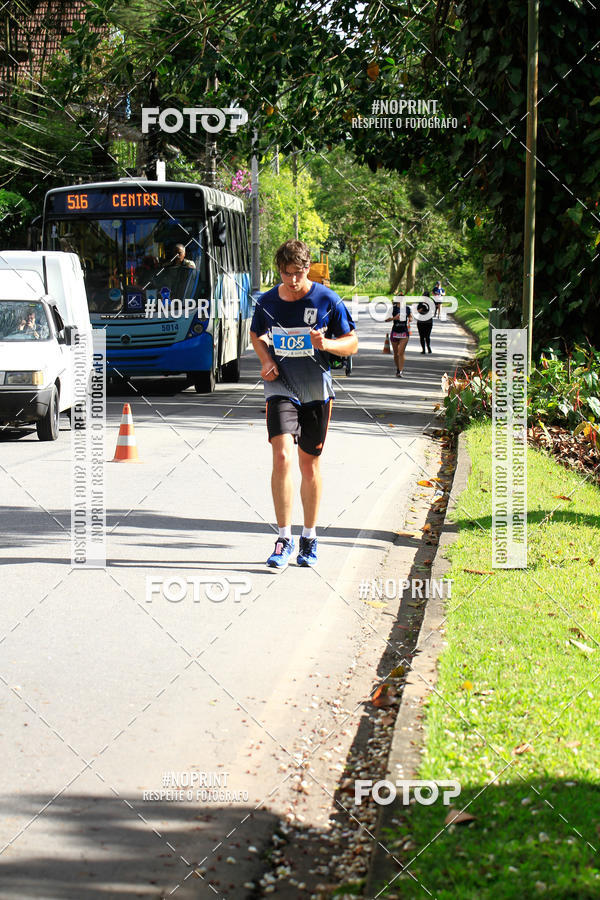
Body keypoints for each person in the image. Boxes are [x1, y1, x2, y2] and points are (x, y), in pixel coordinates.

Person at [250, 239, 358, 569]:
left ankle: (309, 536)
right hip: (280, 386)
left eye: (298, 273)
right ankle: (284, 537)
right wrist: (265, 359)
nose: (293, 281)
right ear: (279, 270)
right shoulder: (268, 302)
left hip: (316, 390)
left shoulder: (328, 300)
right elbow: (255, 334)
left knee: (309, 465)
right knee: (281, 455)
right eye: (286, 274)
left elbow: (352, 344)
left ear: (307, 268)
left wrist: (326, 343)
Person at [385, 297, 411, 377]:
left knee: (400, 352)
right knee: (396, 354)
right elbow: (386, 319)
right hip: (395, 332)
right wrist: (394, 318)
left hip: (404, 333)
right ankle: (398, 368)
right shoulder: (393, 309)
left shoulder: (407, 308)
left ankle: (400, 371)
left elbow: (410, 316)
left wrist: (410, 319)